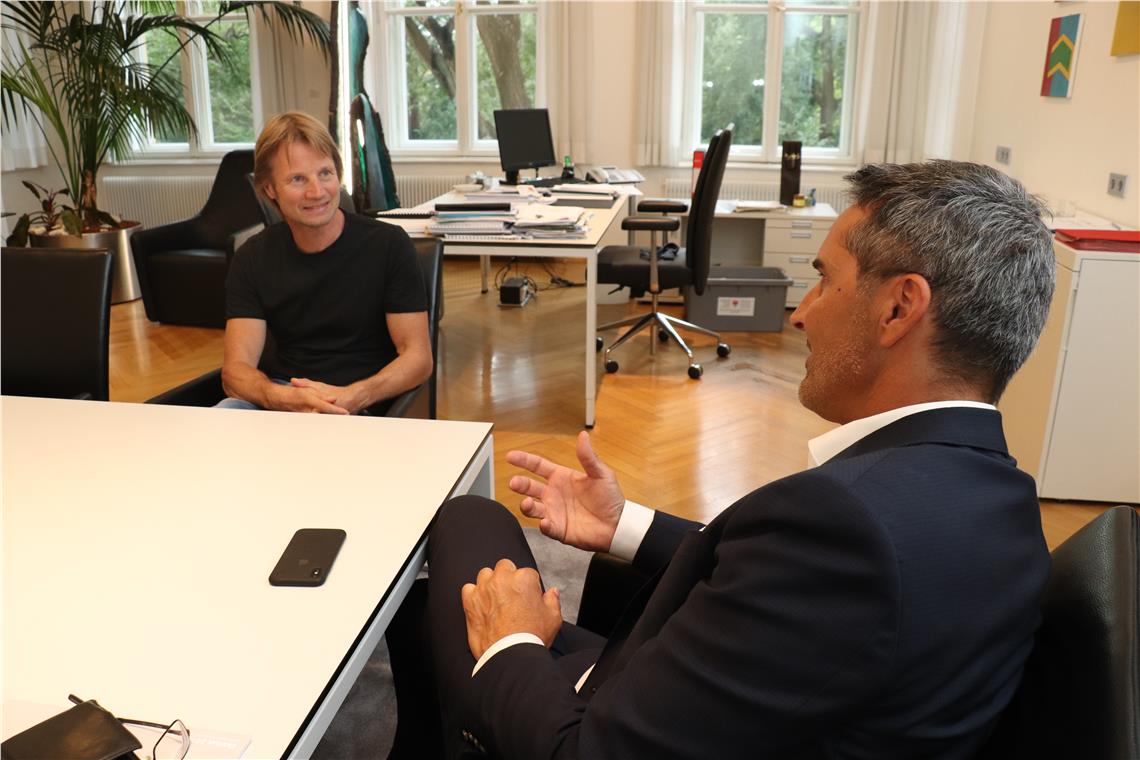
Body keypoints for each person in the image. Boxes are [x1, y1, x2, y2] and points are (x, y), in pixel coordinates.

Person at [389, 160, 1056, 759]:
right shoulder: (1002, 496)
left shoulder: (846, 528)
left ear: (899, 307)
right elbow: (775, 586)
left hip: (594, 727)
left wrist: (512, 642)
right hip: (705, 708)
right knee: (441, 589)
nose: (801, 315)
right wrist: (622, 524)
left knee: (466, 527)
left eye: (823, 280)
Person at [219, 111, 432, 415]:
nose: (317, 192)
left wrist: (352, 397)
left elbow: (418, 358)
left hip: (363, 400)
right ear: (269, 189)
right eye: (297, 179)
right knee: (224, 419)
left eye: (325, 174)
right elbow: (235, 370)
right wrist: (280, 397)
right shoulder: (251, 258)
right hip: (283, 397)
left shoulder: (389, 245)